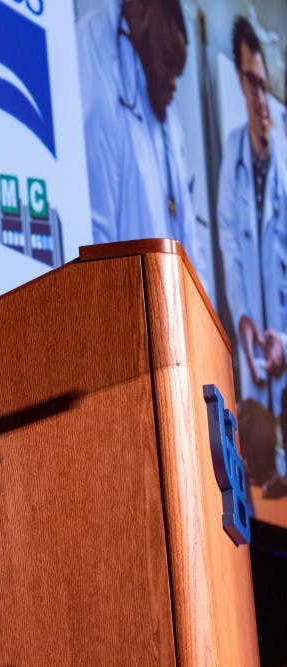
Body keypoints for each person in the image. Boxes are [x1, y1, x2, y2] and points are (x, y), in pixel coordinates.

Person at [76, 0, 209, 285]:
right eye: (169, 65)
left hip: (168, 301)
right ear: (147, 14)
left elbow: (189, 233)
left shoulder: (164, 113)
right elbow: (94, 224)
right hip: (123, 299)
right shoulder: (94, 49)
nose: (174, 83)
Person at [216, 17, 287, 496]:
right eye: (253, 85)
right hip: (257, 354)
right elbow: (229, 240)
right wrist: (241, 316)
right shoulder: (232, 152)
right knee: (260, 469)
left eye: (266, 86)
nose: (262, 100)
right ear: (241, 85)